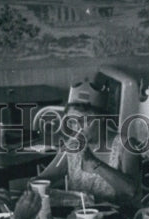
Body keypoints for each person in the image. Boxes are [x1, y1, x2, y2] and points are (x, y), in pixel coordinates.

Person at [34, 81, 141, 209]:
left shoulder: (126, 145)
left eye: (84, 121)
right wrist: (32, 186)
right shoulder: (72, 146)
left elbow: (131, 191)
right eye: (72, 122)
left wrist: (95, 163)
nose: (77, 128)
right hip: (76, 218)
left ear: (102, 118)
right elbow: (44, 179)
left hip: (117, 217)